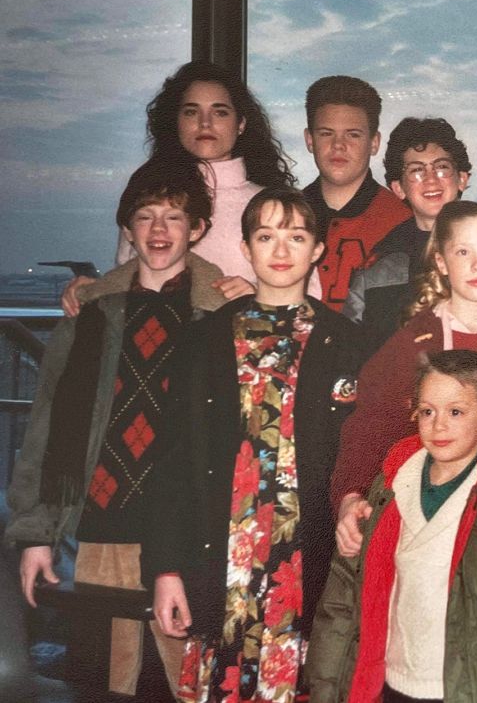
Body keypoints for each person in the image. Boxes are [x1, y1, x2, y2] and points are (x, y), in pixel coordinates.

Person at [6, 158, 225, 697]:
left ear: (197, 229)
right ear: (127, 229)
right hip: (104, 529)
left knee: (191, 681)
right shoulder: (92, 314)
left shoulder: (222, 315)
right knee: (104, 679)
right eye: (145, 216)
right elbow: (48, 427)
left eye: (174, 217)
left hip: (190, 532)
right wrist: (37, 535)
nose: (158, 229)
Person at [143, 188, 362, 702]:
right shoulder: (202, 341)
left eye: (296, 237)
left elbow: (358, 456)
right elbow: (172, 462)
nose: (280, 250)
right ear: (246, 248)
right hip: (221, 561)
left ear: (317, 250)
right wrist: (166, 569)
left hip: (305, 564)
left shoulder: (349, 344)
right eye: (265, 236)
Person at [306, 350, 477, 703]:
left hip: (470, 691)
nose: (438, 425)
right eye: (427, 411)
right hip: (389, 685)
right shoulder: (389, 487)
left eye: (456, 412)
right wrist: (326, 691)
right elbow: (341, 602)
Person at [332, 200, 477, 558]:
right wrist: (351, 495)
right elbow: (370, 426)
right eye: (463, 252)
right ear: (441, 262)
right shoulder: (413, 344)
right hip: (429, 518)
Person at [63, 60, 315, 315]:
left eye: (220, 112)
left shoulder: (271, 204)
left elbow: (312, 296)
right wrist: (91, 291)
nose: (205, 123)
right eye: (191, 112)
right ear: (176, 121)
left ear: (240, 124)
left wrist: (262, 298)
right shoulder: (149, 196)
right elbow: (129, 282)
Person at [343, 116, 472, 359]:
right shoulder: (380, 266)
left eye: (441, 167)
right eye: (416, 170)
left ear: (462, 179)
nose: (431, 179)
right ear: (399, 188)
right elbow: (351, 347)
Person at [302, 75, 412, 310]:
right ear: (309, 140)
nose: (338, 145)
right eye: (326, 133)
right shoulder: (285, 216)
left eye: (353, 134)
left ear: (374, 143)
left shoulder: (402, 221)